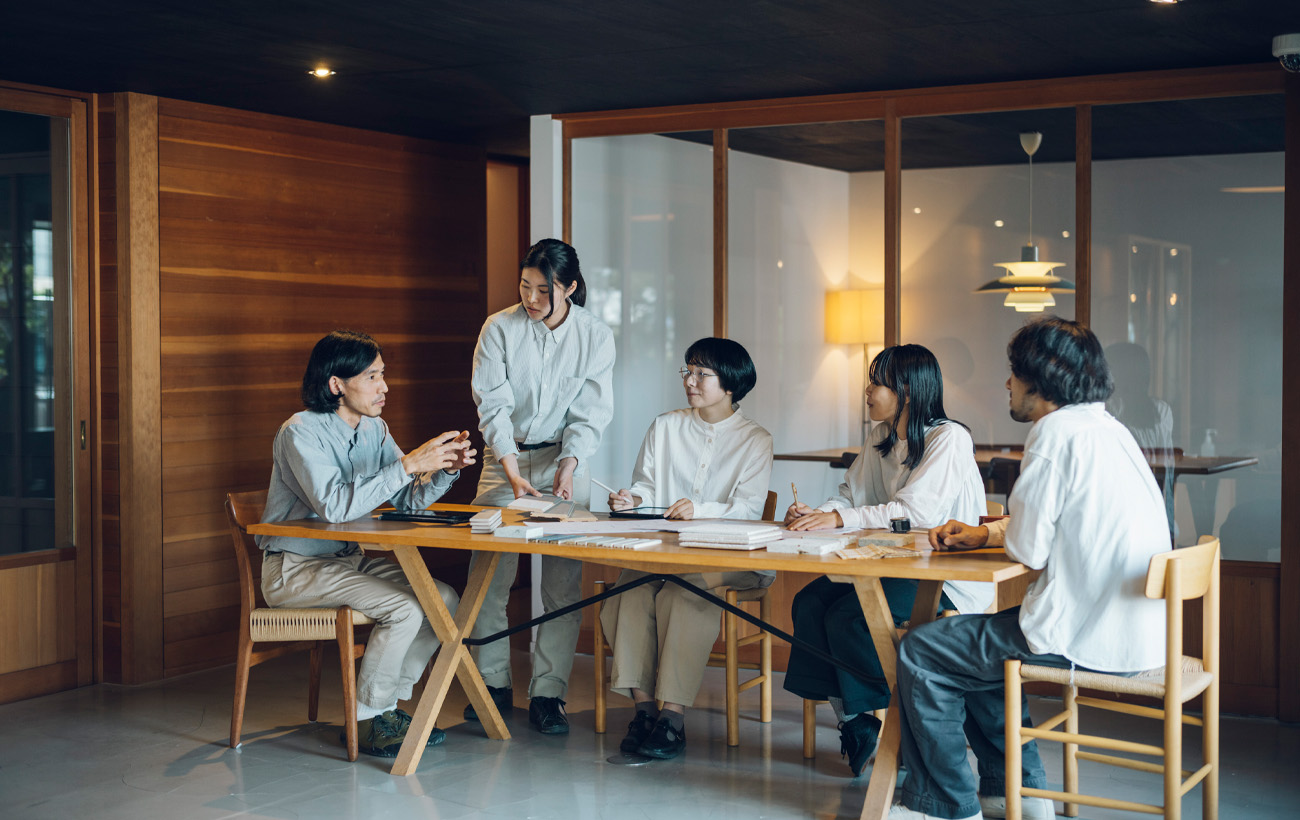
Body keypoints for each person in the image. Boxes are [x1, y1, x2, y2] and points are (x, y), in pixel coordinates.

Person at [892, 317, 1170, 820]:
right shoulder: (1108, 429)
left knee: (923, 650)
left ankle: (944, 807)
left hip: (1086, 636)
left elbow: (1030, 551)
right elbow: (1058, 523)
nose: (1007, 383)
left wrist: (1004, 533)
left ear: (1038, 379)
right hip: (1140, 633)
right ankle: (1018, 792)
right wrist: (986, 532)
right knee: (970, 650)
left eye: (1013, 372)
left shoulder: (1052, 434)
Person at [257, 330, 476, 757]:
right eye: (373, 377)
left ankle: (386, 707)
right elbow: (336, 506)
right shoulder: (299, 432)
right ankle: (367, 717)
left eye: (383, 375)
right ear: (336, 384)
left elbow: (407, 498)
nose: (385, 386)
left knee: (444, 599)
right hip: (294, 569)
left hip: (347, 562)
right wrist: (411, 462)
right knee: (405, 607)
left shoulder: (374, 429)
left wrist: (445, 470)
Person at [781, 343, 991, 778]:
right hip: (891, 564)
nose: (868, 389)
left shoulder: (948, 438)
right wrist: (817, 513)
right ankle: (855, 721)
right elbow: (851, 497)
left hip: (944, 574)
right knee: (809, 603)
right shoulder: (881, 436)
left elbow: (917, 513)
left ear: (908, 392)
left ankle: (895, 724)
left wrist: (838, 517)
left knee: (850, 619)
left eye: (877, 381)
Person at [465, 238, 616, 735]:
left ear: (569, 288)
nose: (530, 298)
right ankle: (492, 685)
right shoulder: (500, 327)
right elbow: (493, 404)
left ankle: (549, 693)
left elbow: (590, 412)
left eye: (542, 290)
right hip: (504, 458)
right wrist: (510, 470)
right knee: (488, 579)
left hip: (562, 460)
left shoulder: (595, 336)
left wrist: (570, 464)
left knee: (562, 586)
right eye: (525, 286)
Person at [600, 337, 773, 759]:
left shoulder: (755, 439)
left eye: (701, 374)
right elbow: (644, 484)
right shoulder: (665, 426)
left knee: (684, 595)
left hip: (728, 555)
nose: (689, 381)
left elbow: (749, 511)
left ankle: (672, 718)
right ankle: (644, 711)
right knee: (629, 592)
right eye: (688, 371)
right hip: (664, 553)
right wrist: (632, 499)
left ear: (730, 384)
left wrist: (701, 509)